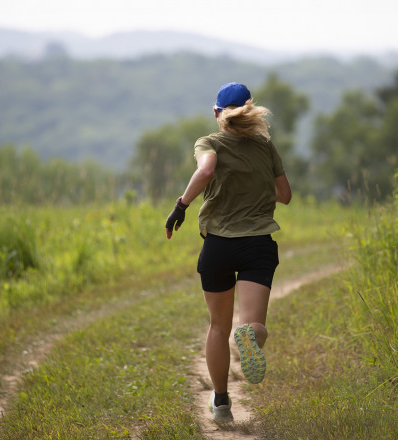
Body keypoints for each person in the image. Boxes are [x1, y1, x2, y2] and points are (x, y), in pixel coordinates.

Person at [165, 82, 292, 422]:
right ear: (249, 110)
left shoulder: (209, 142)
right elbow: (285, 194)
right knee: (253, 324)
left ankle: (221, 404)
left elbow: (206, 170)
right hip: (258, 244)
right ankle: (249, 336)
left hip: (219, 245)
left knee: (218, 327)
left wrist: (181, 205)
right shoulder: (265, 145)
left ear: (216, 112)